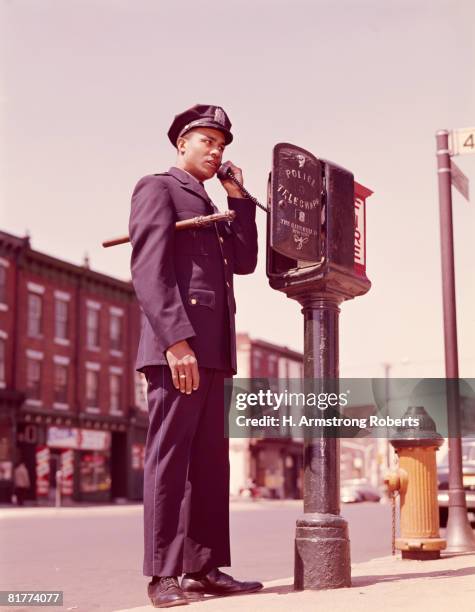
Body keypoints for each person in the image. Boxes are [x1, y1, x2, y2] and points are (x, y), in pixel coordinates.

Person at [129, 104, 262, 608]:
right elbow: (148, 269)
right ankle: (163, 574)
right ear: (181, 143)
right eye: (207, 141)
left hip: (215, 351)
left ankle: (204, 567)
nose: (216, 151)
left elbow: (245, 262)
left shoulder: (213, 200)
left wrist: (238, 199)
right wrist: (175, 341)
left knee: (209, 463)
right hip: (177, 348)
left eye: (222, 145)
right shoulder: (157, 187)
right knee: (169, 459)